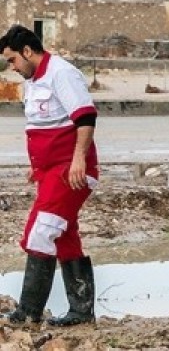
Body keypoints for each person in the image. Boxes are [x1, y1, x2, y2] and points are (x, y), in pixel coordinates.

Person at [1, 25, 99, 326]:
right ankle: (81, 313)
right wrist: (39, 166)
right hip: (50, 172)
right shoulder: (33, 79)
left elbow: (85, 116)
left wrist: (78, 159)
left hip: (70, 171)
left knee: (41, 232)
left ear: (28, 52)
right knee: (64, 236)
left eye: (13, 60)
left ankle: (28, 312)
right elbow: (45, 125)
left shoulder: (61, 73)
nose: (11, 67)